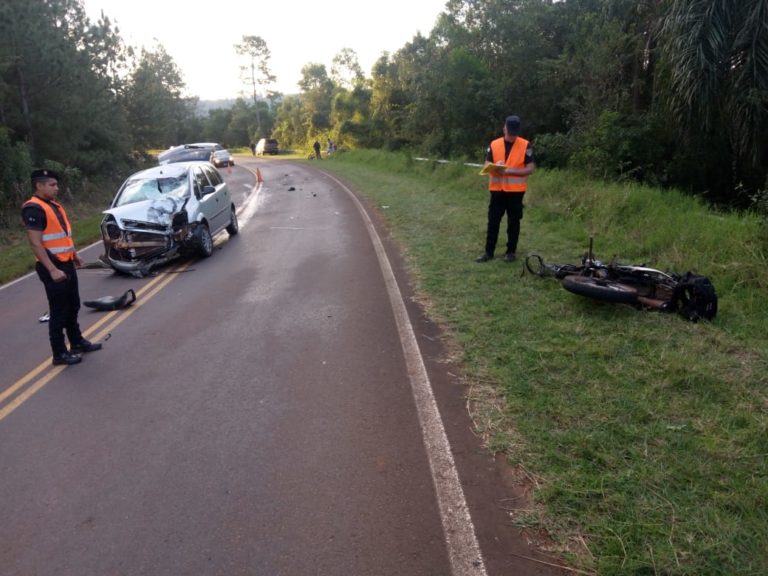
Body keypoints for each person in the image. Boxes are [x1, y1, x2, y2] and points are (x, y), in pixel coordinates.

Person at [22, 169, 102, 365]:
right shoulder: (34, 208)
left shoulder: (53, 205)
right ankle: (59, 353)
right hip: (52, 265)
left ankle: (77, 342)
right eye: (52, 185)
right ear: (38, 186)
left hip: (65, 262)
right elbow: (35, 243)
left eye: (56, 184)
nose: (56, 188)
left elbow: (62, 235)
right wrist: (52, 269)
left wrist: (74, 254)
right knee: (59, 310)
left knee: (73, 304)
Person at [476, 115, 535, 263]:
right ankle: (488, 252)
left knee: (514, 222)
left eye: (515, 133)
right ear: (504, 128)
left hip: (516, 192)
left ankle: (511, 252)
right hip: (497, 191)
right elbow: (485, 165)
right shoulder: (494, 144)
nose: (512, 136)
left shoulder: (525, 145)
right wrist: (496, 166)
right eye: (510, 132)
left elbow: (530, 168)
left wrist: (509, 171)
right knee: (493, 221)